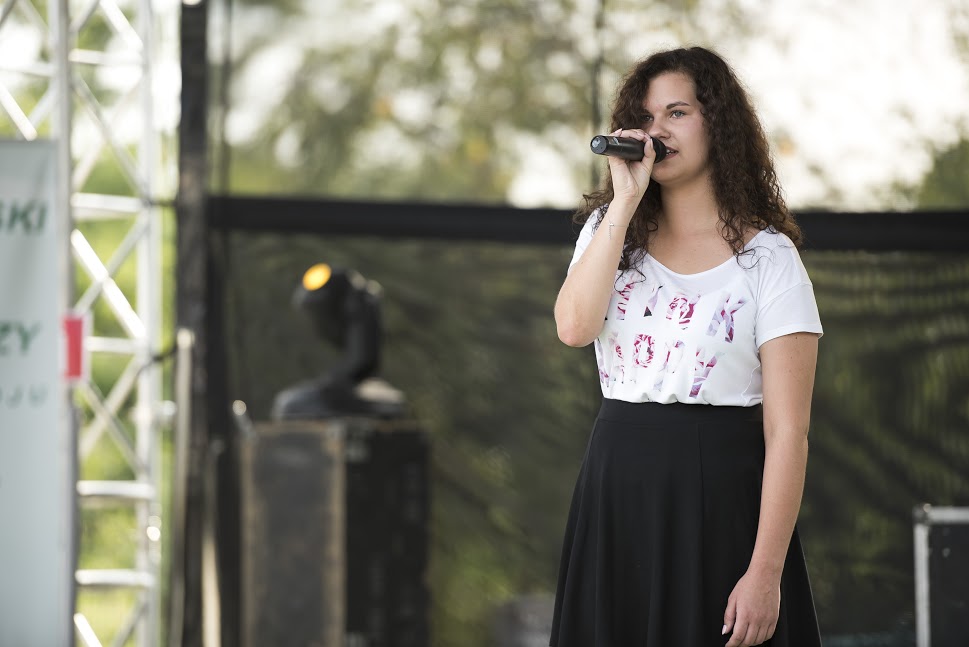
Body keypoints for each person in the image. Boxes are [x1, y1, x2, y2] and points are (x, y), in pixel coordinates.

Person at [549, 46, 823, 647]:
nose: (658, 131)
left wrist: (765, 572)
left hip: (721, 494)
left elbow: (788, 432)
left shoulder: (769, 258)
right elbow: (573, 328)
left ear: (717, 124)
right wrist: (623, 203)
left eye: (677, 113)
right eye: (645, 118)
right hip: (618, 484)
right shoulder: (610, 233)